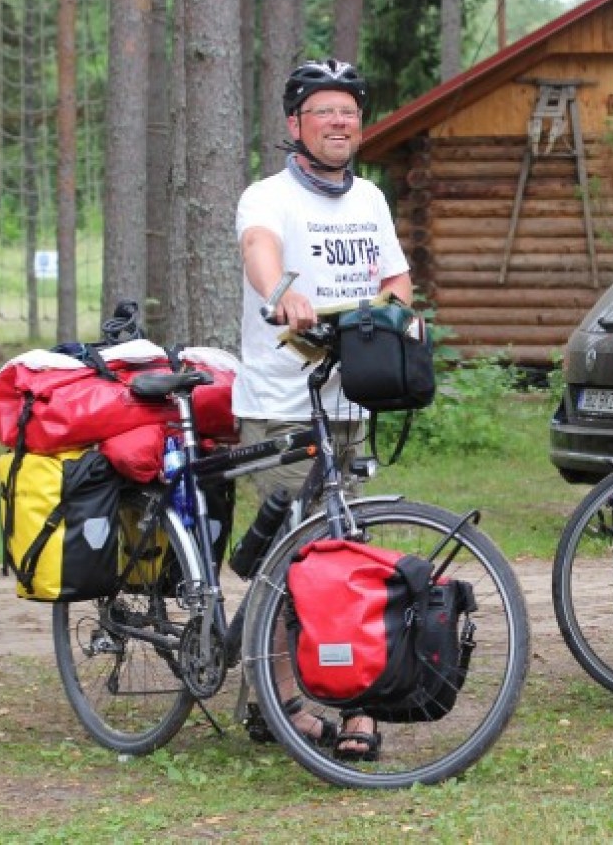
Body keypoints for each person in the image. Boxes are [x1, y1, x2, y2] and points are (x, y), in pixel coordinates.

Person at [234, 58, 412, 759]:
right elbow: (258, 248)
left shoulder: (368, 199)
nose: (340, 123)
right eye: (324, 111)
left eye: (348, 111)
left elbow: (395, 274)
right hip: (281, 404)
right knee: (299, 558)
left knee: (346, 554)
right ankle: (278, 699)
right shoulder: (268, 195)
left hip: (349, 402)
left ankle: (343, 699)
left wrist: (398, 309)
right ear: (295, 125)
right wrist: (281, 290)